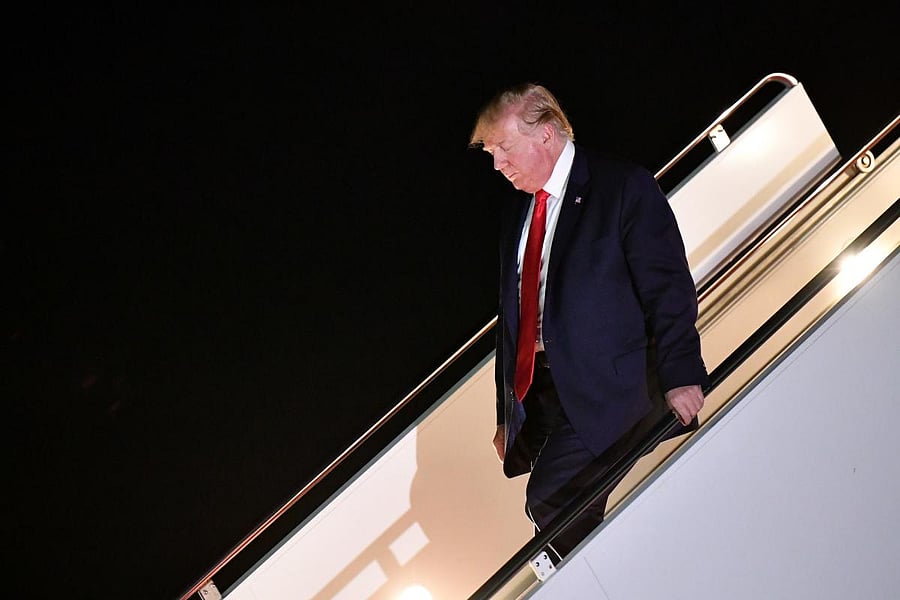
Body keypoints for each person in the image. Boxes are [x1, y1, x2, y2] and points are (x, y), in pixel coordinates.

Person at [469, 83, 709, 561]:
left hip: (615, 387)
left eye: (505, 149)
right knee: (571, 512)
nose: (498, 165)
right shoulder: (518, 210)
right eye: (492, 154)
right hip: (546, 395)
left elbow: (668, 286)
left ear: (546, 135)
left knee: (552, 498)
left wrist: (682, 374)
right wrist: (506, 414)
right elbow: (513, 319)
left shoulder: (620, 187)